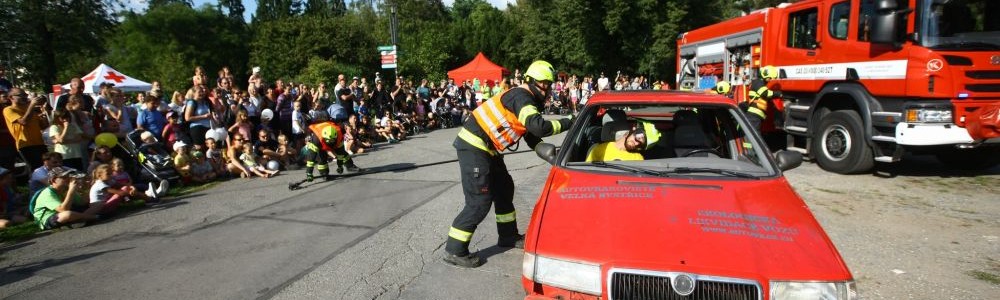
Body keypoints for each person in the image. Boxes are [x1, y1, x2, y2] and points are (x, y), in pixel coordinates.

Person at [443, 60, 574, 268]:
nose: (547, 89)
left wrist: (548, 153)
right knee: (479, 200)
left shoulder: (525, 99)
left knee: (504, 188)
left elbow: (531, 134)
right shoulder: (521, 97)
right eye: (544, 84)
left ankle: (508, 236)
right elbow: (538, 127)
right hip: (474, 146)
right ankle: (454, 249)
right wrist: (570, 122)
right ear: (531, 81)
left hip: (488, 149)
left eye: (549, 84)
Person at [4, 88, 47, 170]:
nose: (25, 97)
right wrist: (31, 105)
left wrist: (45, 112)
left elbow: (43, 126)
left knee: (47, 168)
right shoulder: (8, 110)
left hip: (39, 143)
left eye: (25, 95)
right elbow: (23, 122)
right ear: (11, 97)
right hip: (26, 146)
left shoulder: (29, 109)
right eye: (21, 95)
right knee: (36, 169)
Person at [585, 120, 661, 162]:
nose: (636, 143)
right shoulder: (601, 149)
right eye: (638, 137)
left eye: (641, 145)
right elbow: (585, 173)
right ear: (633, 129)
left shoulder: (638, 159)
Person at [746, 65, 782, 132]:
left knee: (755, 136)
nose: (770, 80)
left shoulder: (760, 83)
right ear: (766, 76)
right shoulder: (758, 82)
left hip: (756, 116)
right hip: (754, 116)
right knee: (755, 137)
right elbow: (765, 93)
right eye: (770, 78)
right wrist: (778, 94)